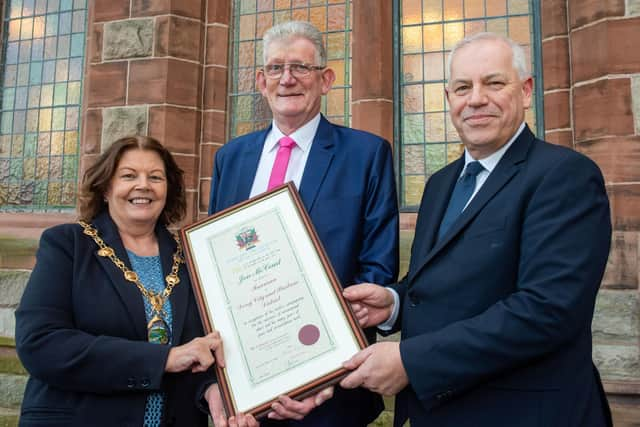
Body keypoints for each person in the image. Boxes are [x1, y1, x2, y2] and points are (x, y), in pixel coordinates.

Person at [340, 32, 613, 427]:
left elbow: (546, 310)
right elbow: (443, 284)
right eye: (463, 87)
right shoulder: (440, 184)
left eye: (494, 83)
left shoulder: (563, 175)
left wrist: (411, 361)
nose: (476, 99)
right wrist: (393, 302)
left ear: (526, 90)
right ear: (448, 98)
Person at [208, 20, 399, 427]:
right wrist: (221, 381)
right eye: (275, 68)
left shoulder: (366, 155)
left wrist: (323, 373)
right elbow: (217, 273)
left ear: (326, 80)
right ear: (261, 81)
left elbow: (376, 269)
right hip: (246, 394)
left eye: (301, 67)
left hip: (331, 395)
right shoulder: (231, 158)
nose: (287, 79)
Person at [14, 136, 252, 426]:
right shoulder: (68, 246)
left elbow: (200, 352)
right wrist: (163, 359)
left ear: (168, 189)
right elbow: (40, 343)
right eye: (128, 175)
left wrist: (213, 389)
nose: (143, 185)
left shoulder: (190, 257)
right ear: (106, 188)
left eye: (155, 177)